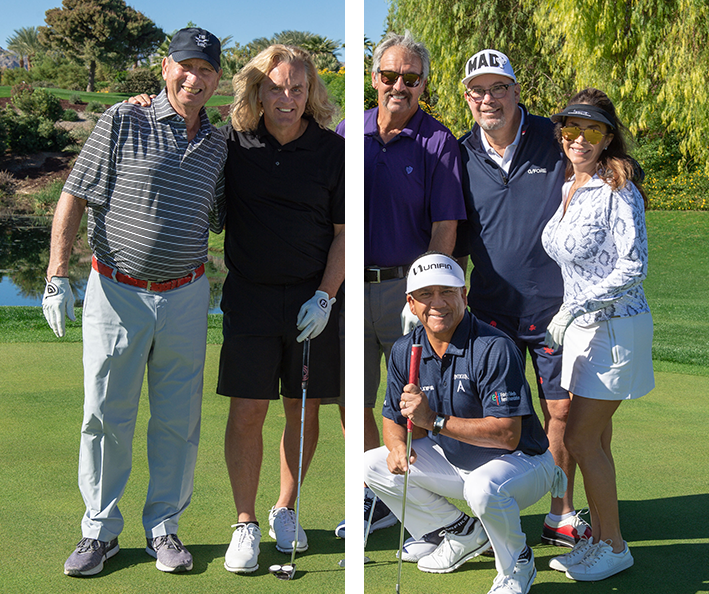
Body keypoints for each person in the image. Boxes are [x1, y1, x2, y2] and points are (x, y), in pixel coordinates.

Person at [42, 27, 226, 577]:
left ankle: (163, 528)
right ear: (166, 68)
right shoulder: (123, 119)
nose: (195, 78)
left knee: (177, 419)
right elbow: (73, 195)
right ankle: (99, 531)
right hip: (116, 290)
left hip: (188, 294)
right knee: (105, 414)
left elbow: (225, 213)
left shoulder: (219, 144)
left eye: (207, 70)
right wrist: (56, 274)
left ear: (218, 81)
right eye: (186, 66)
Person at [364, 252, 566, 594]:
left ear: (464, 296)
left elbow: (506, 435)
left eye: (447, 292)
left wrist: (433, 420)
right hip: (458, 462)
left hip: (523, 465)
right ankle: (458, 532)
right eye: (426, 295)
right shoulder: (405, 350)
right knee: (373, 465)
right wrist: (398, 446)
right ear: (411, 304)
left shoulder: (493, 347)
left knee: (483, 487)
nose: (437, 303)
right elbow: (393, 419)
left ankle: (517, 562)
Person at [217, 45, 345, 574]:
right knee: (248, 410)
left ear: (311, 91)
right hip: (249, 297)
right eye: (276, 87)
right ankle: (245, 522)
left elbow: (344, 234)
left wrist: (326, 296)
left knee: (303, 408)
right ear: (257, 91)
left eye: (297, 88)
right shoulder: (234, 144)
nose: (287, 98)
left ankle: (285, 508)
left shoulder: (331, 151)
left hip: (311, 298)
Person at [456, 49, 591, 548]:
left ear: (516, 92)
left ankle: (560, 511)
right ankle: (491, 508)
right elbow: (455, 232)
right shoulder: (460, 150)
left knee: (559, 413)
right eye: (478, 91)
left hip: (556, 309)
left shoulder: (554, 140)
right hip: (490, 311)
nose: (488, 99)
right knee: (493, 417)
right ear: (467, 98)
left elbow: (603, 158)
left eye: (498, 89)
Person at [344, 30, 467, 542]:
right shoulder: (349, 133)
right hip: (351, 286)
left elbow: (445, 229)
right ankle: (378, 496)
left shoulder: (438, 143)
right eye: (390, 76)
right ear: (374, 78)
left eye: (411, 79)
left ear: (423, 84)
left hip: (405, 291)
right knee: (355, 401)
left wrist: (424, 295)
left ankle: (422, 502)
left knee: (408, 400)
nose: (399, 86)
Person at [541, 88, 654, 581]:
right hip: (583, 330)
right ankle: (604, 539)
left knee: (580, 439)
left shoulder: (617, 186)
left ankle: (614, 546)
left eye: (592, 130)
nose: (579, 139)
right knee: (597, 442)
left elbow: (634, 265)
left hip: (615, 327)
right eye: (571, 128)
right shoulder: (571, 183)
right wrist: (572, 313)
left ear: (609, 136)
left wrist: (577, 308)